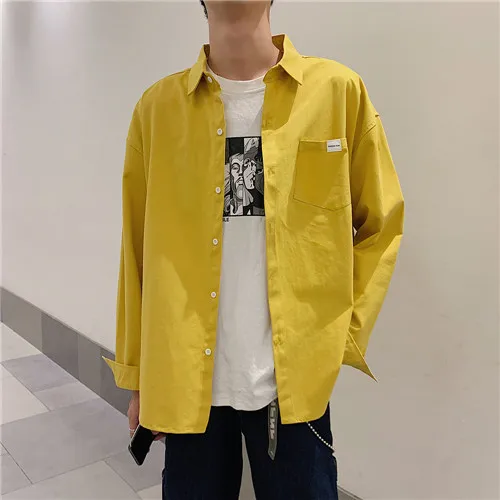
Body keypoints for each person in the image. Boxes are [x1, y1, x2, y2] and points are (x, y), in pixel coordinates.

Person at [104, 0, 404, 498]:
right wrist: (139, 377)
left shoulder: (337, 93)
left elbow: (381, 225)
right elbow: (135, 253)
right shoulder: (156, 110)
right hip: (186, 386)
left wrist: (341, 335)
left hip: (294, 389)